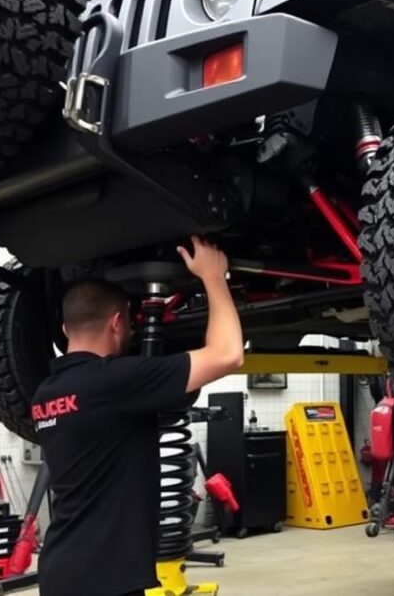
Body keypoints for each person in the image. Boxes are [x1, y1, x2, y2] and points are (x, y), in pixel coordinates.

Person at [31, 237, 243, 596]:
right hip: (106, 579)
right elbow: (228, 354)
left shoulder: (45, 394)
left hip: (60, 570)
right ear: (117, 323)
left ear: (66, 330)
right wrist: (213, 276)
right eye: (129, 324)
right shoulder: (114, 381)